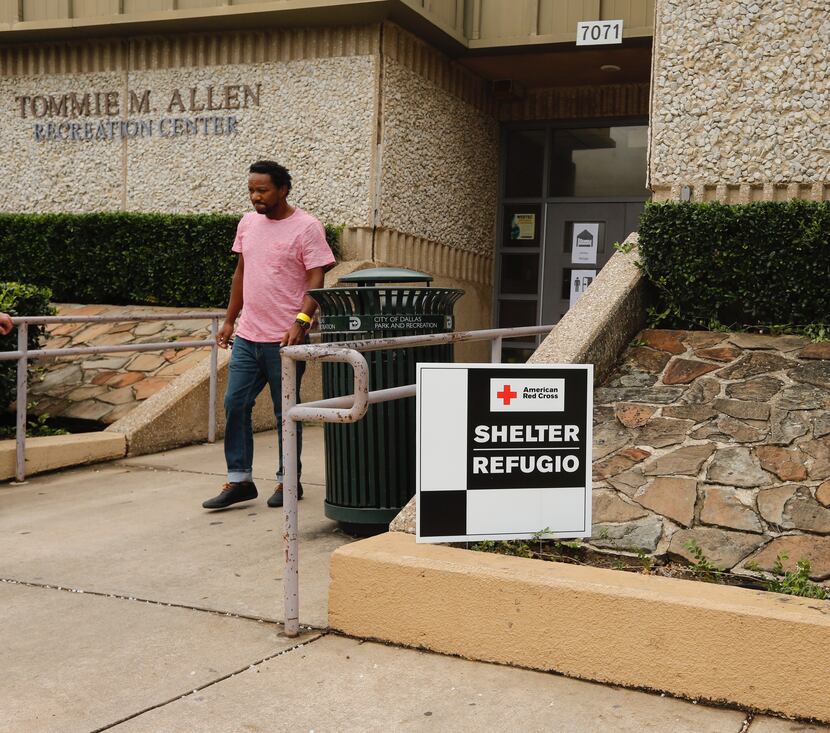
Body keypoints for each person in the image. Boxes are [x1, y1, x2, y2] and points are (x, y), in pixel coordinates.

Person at [202, 161, 334, 510]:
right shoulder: (248, 223)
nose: (255, 196)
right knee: (234, 404)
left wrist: (302, 321)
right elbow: (240, 274)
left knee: (285, 412)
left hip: (285, 340)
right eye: (251, 190)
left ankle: (287, 480)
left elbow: (316, 279)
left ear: (283, 190)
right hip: (248, 335)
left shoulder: (307, 227)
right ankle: (240, 480)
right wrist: (230, 320)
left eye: (262, 190)